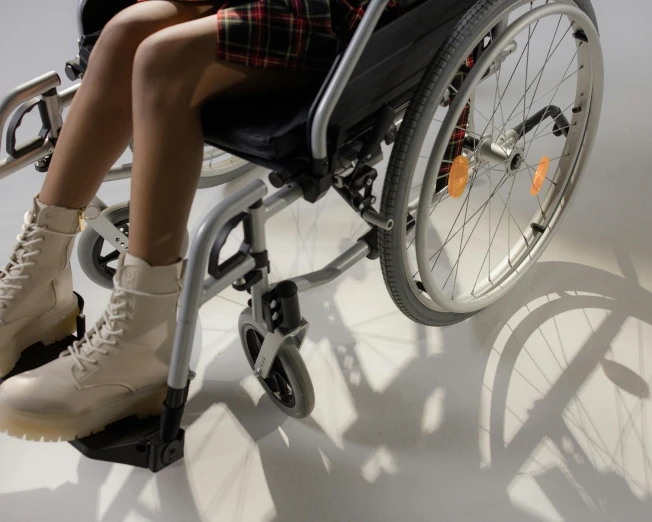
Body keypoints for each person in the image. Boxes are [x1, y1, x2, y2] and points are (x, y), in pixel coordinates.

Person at [0, 0, 402, 442]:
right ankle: (36, 287)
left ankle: (142, 338)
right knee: (123, 34)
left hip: (349, 21)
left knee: (161, 61)